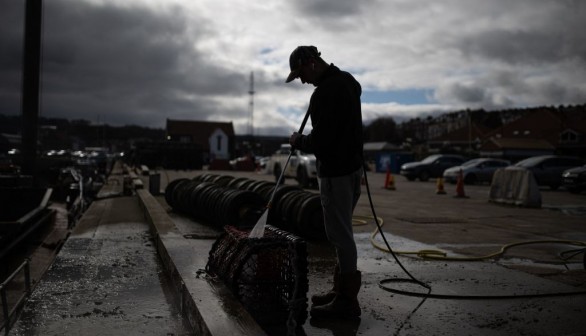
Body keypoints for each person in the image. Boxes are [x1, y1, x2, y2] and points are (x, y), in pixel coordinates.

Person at [286, 46, 363, 319]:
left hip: (336, 174)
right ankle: (340, 289)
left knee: (339, 236)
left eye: (301, 74)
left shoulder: (324, 93)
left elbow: (321, 141)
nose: (303, 80)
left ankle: (346, 302)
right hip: (353, 171)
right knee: (343, 233)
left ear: (311, 62)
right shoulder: (348, 81)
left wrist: (299, 141)